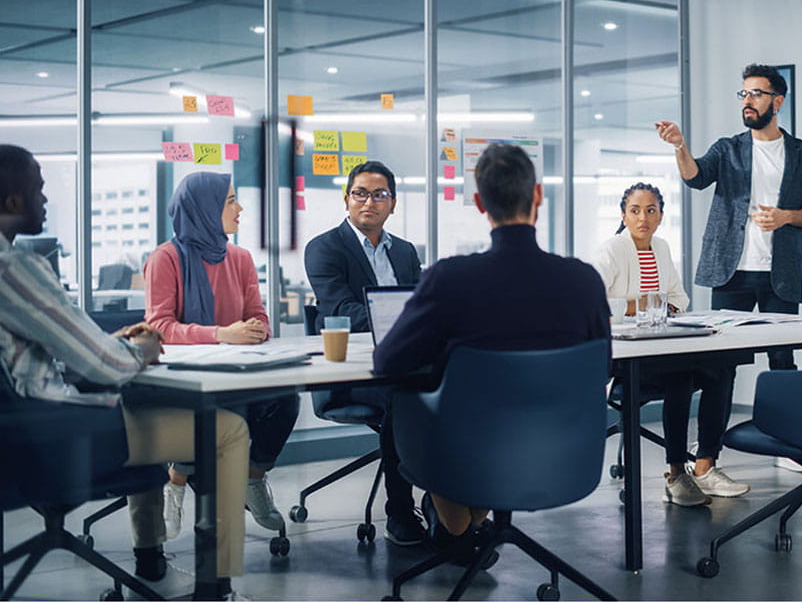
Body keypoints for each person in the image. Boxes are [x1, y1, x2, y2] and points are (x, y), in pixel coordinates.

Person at [0, 145, 249, 600]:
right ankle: (218, 587)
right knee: (227, 430)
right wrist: (141, 348)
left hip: (18, 429)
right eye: (38, 189)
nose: (46, 200)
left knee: (147, 403)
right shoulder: (13, 267)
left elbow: (36, 356)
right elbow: (105, 367)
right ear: (12, 202)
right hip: (49, 438)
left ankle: (151, 564)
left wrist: (111, 345)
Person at [374, 143, 610, 560]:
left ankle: (457, 524)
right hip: (563, 453)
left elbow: (388, 362)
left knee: (414, 401)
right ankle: (467, 524)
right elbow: (601, 367)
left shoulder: (451, 279)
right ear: (537, 195)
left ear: (481, 203)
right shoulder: (584, 282)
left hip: (468, 454)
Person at [144, 171, 299, 539]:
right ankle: (176, 482)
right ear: (203, 209)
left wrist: (257, 328)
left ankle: (253, 478)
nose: (240, 208)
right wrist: (221, 334)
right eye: (230, 201)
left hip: (238, 371)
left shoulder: (240, 258)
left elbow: (257, 314)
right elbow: (159, 328)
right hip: (185, 379)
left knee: (287, 400)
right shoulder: (164, 259)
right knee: (215, 410)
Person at [656, 62, 802, 372]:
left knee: (782, 358)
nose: (747, 101)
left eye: (756, 94)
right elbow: (696, 177)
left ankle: (785, 422)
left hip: (781, 276)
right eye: (744, 94)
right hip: (730, 272)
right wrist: (680, 146)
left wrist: (786, 217)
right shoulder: (727, 149)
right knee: (719, 364)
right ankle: (714, 425)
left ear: (777, 101)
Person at [593, 183, 748, 506]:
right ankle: (677, 474)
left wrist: (656, 305)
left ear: (661, 216)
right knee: (681, 376)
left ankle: (705, 465)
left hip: (662, 344)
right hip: (625, 357)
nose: (643, 218)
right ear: (624, 215)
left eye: (651, 210)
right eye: (635, 210)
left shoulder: (660, 248)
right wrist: (643, 305)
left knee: (722, 368)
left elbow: (679, 298)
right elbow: (591, 301)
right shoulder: (612, 250)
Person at [303, 160, 425, 546]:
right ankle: (401, 511)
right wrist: (406, 320)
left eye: (379, 194)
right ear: (347, 200)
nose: (368, 202)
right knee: (403, 395)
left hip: (405, 362)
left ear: (393, 204)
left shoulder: (404, 252)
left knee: (455, 384)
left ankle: (450, 505)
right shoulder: (324, 248)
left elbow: (424, 305)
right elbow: (341, 310)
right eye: (360, 193)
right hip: (352, 375)